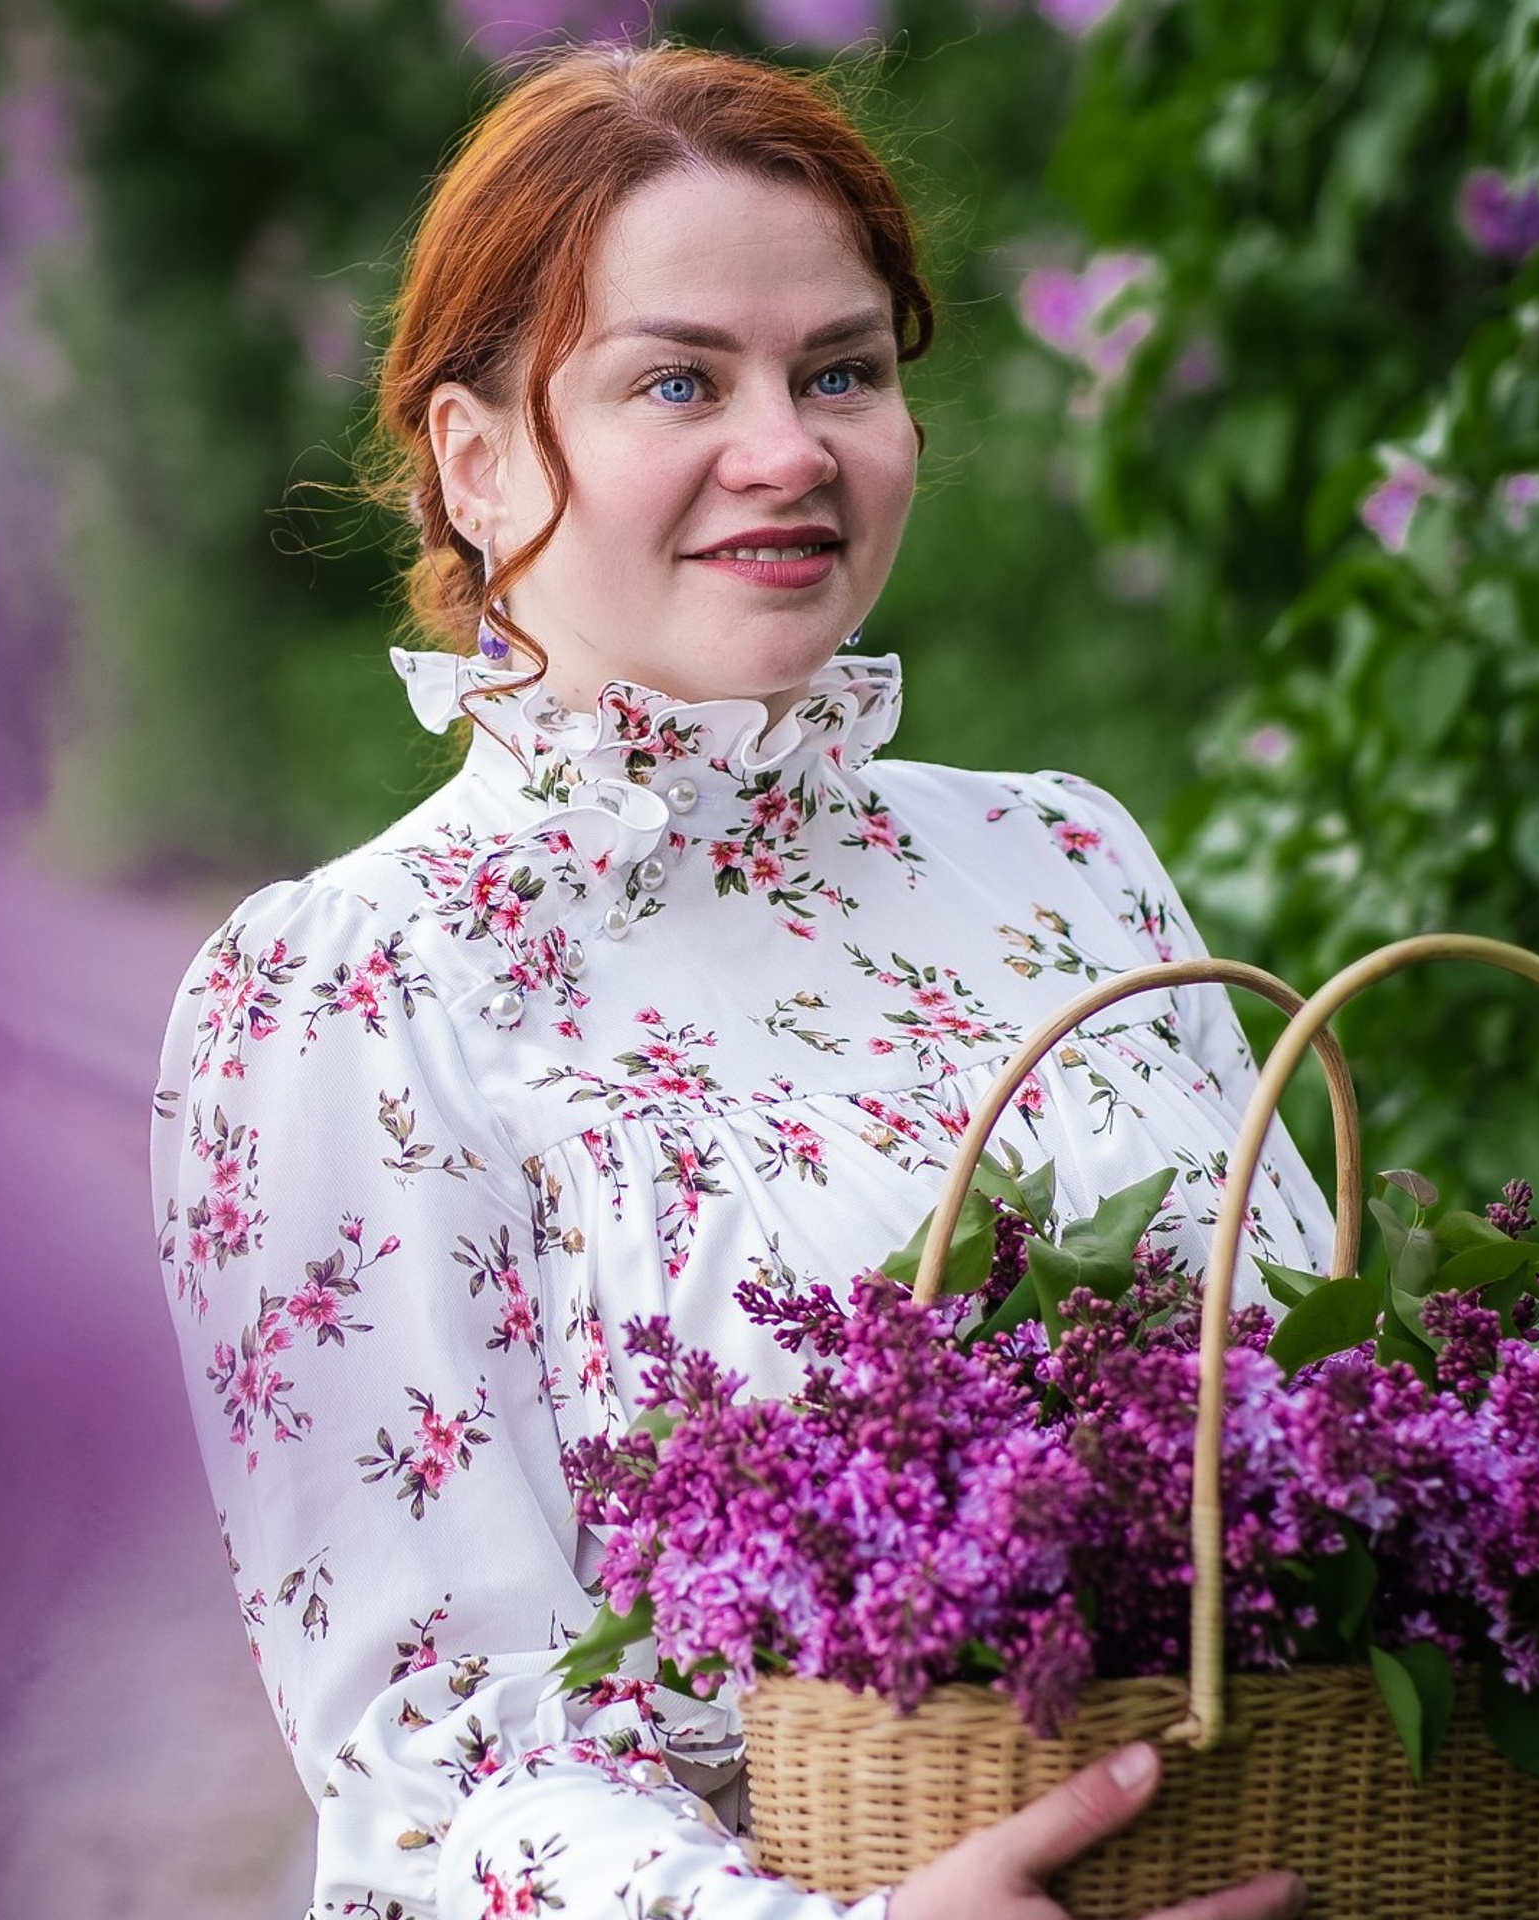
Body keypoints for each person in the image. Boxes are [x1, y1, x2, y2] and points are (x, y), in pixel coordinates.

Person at [151, 41, 1326, 1920]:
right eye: (678, 379)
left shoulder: (1066, 858)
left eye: (841, 370)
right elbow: (441, 1761)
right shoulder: (355, 993)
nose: (787, 451)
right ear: (478, 458)